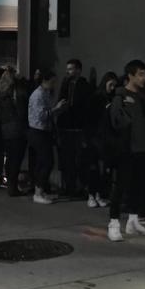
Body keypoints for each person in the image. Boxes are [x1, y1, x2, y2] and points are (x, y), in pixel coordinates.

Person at [106, 60, 145, 242]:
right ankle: (113, 223)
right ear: (131, 76)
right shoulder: (120, 96)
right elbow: (117, 122)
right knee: (120, 186)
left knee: (139, 185)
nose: (144, 78)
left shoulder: (143, 97)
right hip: (126, 149)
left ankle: (133, 220)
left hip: (143, 147)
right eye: (140, 74)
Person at [56, 59, 93, 198]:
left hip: (78, 127)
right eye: (68, 69)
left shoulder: (84, 86)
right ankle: (68, 187)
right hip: (66, 126)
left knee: (79, 159)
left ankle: (79, 187)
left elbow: (86, 107)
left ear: (78, 70)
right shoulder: (66, 84)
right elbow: (61, 100)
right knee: (67, 159)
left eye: (71, 69)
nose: (68, 72)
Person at [28, 70, 65, 203]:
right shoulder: (38, 95)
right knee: (46, 162)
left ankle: (41, 191)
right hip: (39, 131)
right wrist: (56, 109)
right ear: (46, 80)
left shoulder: (45, 93)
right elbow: (41, 116)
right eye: (53, 81)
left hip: (43, 131)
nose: (54, 84)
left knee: (44, 162)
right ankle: (38, 192)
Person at [84, 72, 118, 208]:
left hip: (107, 139)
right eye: (111, 85)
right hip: (95, 138)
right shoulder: (96, 98)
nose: (112, 88)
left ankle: (100, 194)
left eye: (114, 85)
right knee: (94, 169)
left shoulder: (112, 98)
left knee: (105, 170)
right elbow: (89, 120)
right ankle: (92, 195)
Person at [0, 67, 30, 197]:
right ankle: (13, 187)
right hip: (17, 127)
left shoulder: (0, 92)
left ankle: (11, 184)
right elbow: (21, 110)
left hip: (6, 128)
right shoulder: (16, 91)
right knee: (16, 158)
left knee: (10, 157)